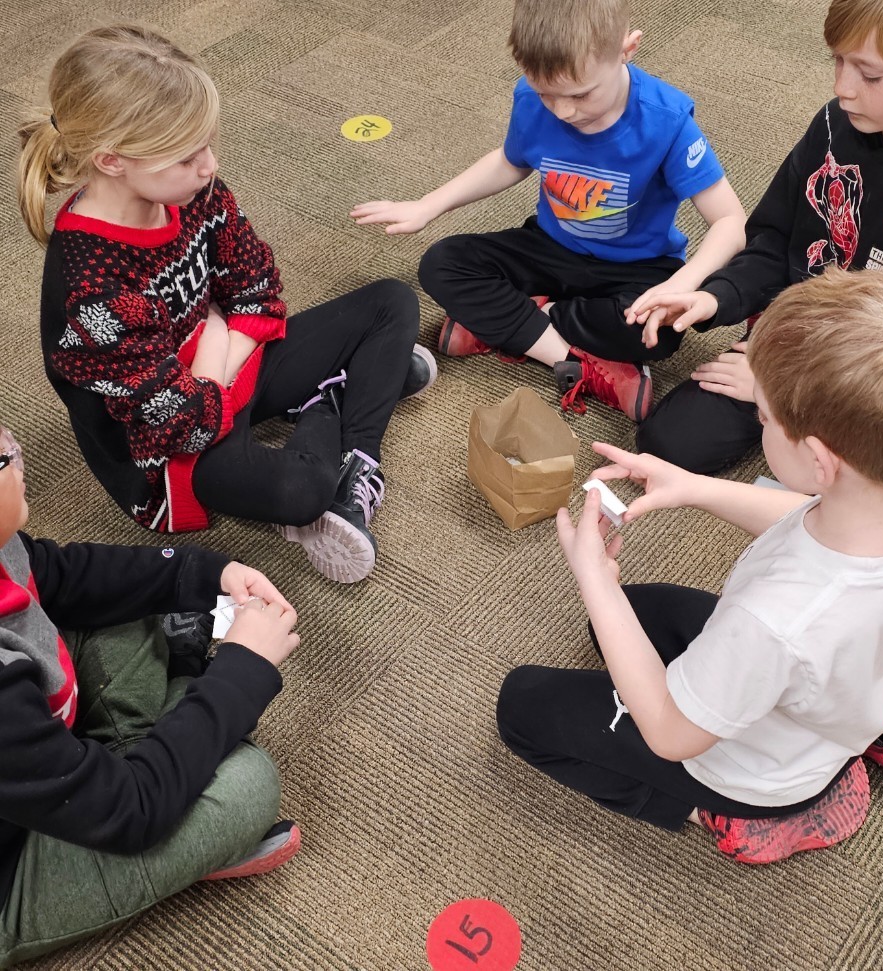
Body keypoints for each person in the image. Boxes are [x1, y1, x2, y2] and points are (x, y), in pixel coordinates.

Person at [497, 261, 883, 864]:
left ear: (819, 461)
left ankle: (736, 813)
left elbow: (671, 732)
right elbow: (808, 521)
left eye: (763, 417)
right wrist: (694, 486)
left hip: (752, 771)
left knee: (523, 705)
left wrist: (595, 578)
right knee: (623, 620)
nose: (758, 422)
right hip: (840, 677)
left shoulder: (774, 621)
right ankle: (862, 726)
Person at [19, 24, 434, 584]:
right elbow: (180, 426)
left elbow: (257, 284)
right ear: (112, 160)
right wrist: (216, 345)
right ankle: (333, 401)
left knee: (392, 302)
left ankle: (357, 460)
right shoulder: (90, 285)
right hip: (165, 449)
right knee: (300, 489)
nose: (209, 165)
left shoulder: (191, 189)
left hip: (226, 366)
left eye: (207, 145)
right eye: (187, 155)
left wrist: (224, 342)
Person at [351, 0, 745, 422]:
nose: (563, 111)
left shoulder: (667, 121)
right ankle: (572, 359)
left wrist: (682, 284)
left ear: (627, 49)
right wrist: (429, 205)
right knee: (441, 264)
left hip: (636, 266)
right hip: (549, 246)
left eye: (580, 94)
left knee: (660, 333)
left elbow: (731, 221)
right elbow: (510, 162)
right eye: (546, 93)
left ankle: (511, 322)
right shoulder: (531, 100)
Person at [0, 420, 302, 966]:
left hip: (42, 768)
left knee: (121, 609)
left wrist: (203, 571)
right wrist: (241, 671)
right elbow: (129, 811)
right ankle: (172, 782)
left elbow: (58, 575)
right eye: (0, 457)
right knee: (250, 786)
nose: (13, 449)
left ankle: (158, 766)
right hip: (14, 866)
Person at [629, 0, 883, 473]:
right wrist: (715, 296)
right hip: (789, 337)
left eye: (870, 75)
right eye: (838, 60)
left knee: (856, 475)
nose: (842, 87)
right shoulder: (836, 123)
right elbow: (775, 240)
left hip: (878, 379)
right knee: (669, 442)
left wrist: (784, 388)